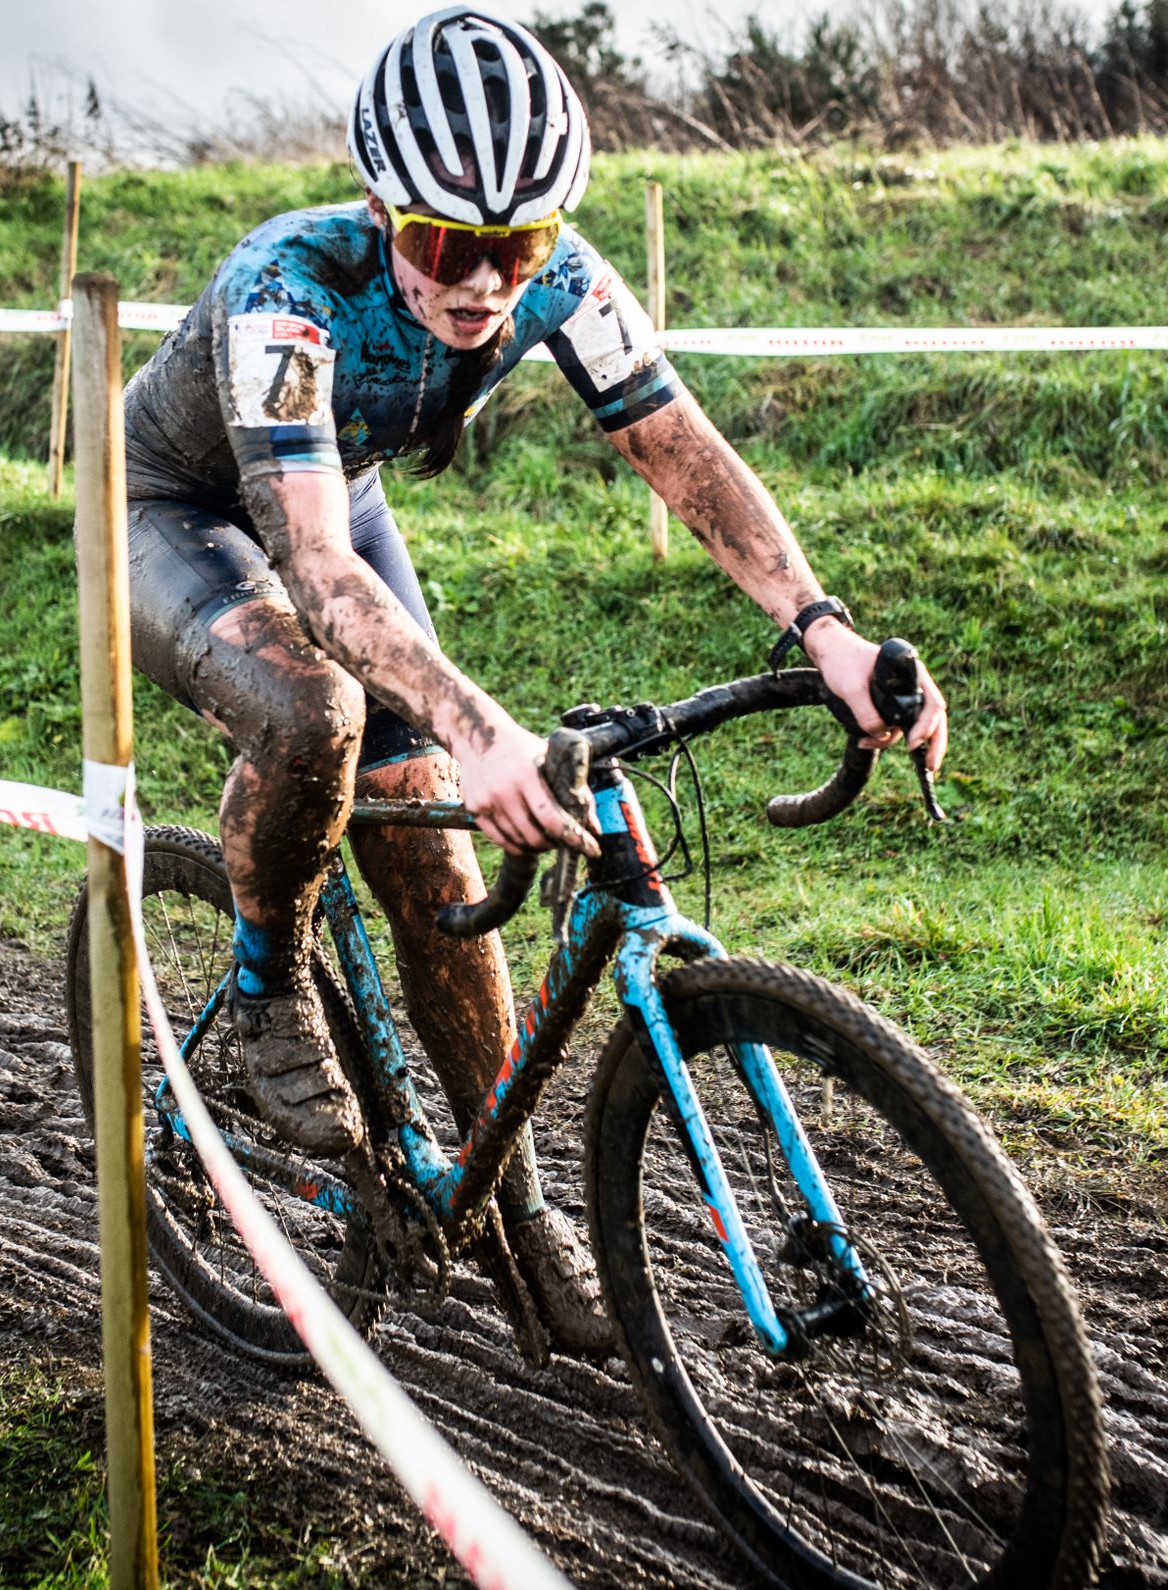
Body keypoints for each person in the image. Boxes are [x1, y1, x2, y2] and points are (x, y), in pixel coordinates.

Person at [120, 5, 947, 1354]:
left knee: (436, 860)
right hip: (180, 511)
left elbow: (683, 452)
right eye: (450, 247)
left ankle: (515, 1213)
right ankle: (267, 984)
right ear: (384, 214)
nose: (486, 283)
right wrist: (480, 725)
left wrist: (825, 629)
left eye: (518, 247)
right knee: (318, 714)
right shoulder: (289, 290)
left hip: (339, 493)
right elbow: (315, 571)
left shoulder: (562, 278)